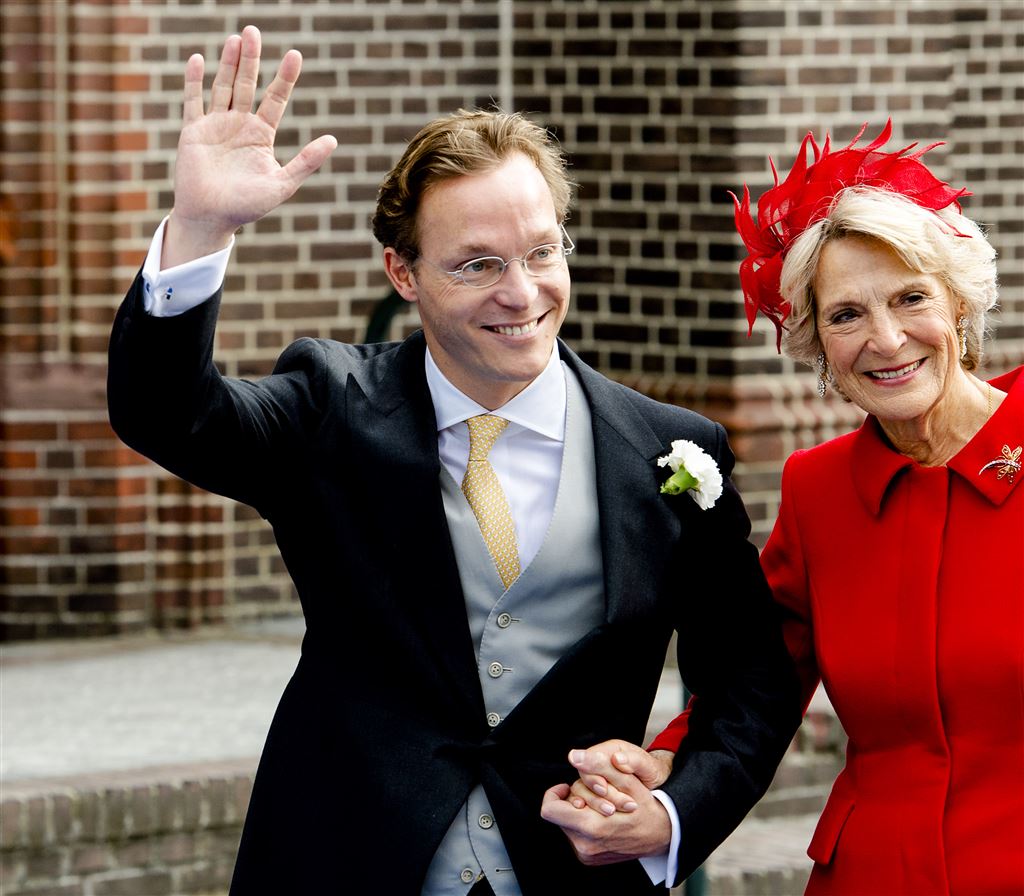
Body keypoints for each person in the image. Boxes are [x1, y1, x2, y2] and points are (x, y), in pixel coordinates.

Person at [106, 26, 801, 895]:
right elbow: (168, 414)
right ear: (403, 273)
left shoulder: (669, 450)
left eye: (542, 251)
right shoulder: (330, 406)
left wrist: (671, 813)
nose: (522, 292)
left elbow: (751, 683)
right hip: (345, 867)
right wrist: (200, 230)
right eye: (478, 264)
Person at [557, 122, 1024, 895]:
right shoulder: (820, 489)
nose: (886, 339)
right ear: (814, 342)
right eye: (846, 315)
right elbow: (758, 679)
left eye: (911, 298)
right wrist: (662, 763)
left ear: (960, 303)